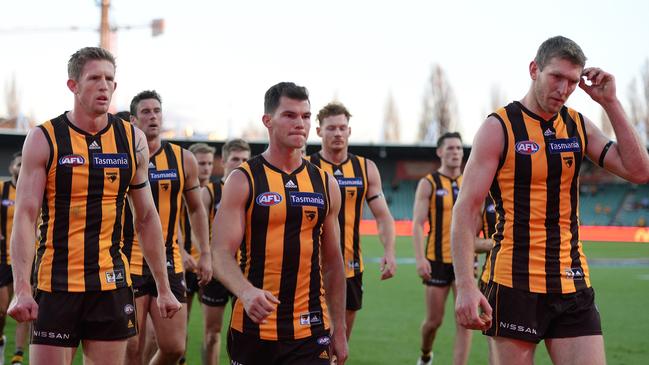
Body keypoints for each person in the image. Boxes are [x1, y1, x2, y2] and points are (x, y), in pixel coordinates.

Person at [452, 35, 649, 365]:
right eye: (556, 77)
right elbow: (466, 209)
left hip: (572, 282)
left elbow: (639, 171)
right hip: (512, 282)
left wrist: (610, 103)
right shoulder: (499, 127)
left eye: (573, 81)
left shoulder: (576, 126)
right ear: (534, 70)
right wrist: (466, 286)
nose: (564, 89)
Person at [7, 47, 181, 365]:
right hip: (56, 283)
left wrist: (163, 286)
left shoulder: (132, 139)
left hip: (110, 284)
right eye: (95, 78)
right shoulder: (44, 137)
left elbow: (146, 217)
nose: (104, 86)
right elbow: (25, 216)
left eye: (110, 79)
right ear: (73, 85)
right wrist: (21, 287)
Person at [212, 82, 348, 365]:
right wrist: (246, 292)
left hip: (310, 330)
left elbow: (334, 263)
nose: (300, 123)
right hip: (253, 328)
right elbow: (220, 253)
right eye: (289, 115)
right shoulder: (243, 179)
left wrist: (341, 328)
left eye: (305, 116)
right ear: (268, 120)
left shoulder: (326, 184)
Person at [123, 90, 212, 365]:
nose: (153, 116)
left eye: (157, 111)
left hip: (169, 260)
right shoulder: (121, 157)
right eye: (146, 112)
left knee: (174, 348)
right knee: (132, 346)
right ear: (133, 119)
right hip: (130, 260)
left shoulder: (183, 159)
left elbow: (196, 208)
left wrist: (204, 253)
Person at [308, 102, 396, 340]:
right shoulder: (307, 167)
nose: (337, 133)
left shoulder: (365, 168)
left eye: (342, 127)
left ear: (349, 131)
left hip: (351, 267)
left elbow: (383, 216)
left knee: (340, 340)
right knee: (310, 342)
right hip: (310, 268)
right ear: (319, 131)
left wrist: (389, 250)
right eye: (331, 128)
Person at [181, 139, 250, 365]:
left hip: (246, 269)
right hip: (213, 269)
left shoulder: (254, 189)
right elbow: (196, 226)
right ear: (225, 161)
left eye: (245, 159)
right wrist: (204, 255)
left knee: (245, 333)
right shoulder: (210, 191)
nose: (240, 164)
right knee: (211, 333)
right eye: (235, 159)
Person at [412, 132, 472, 365]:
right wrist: (420, 259)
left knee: (466, 322)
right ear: (440, 152)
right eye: (450, 148)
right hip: (436, 261)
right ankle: (426, 354)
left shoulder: (470, 180)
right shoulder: (428, 183)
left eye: (459, 148)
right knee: (433, 322)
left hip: (465, 263)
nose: (456, 152)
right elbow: (417, 223)